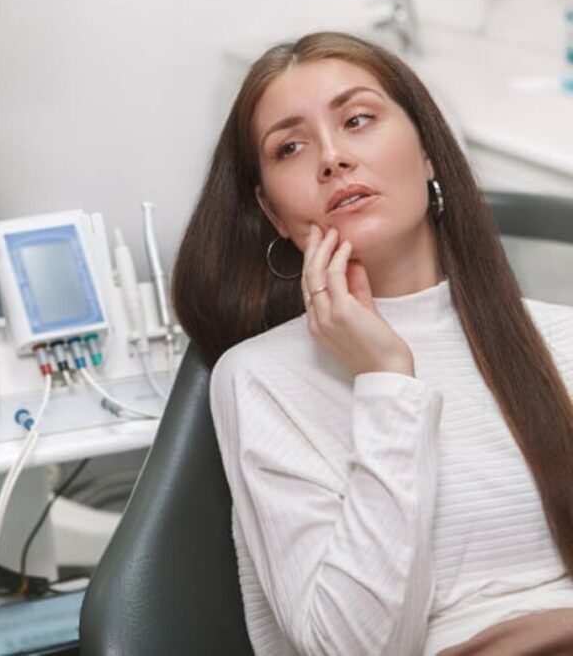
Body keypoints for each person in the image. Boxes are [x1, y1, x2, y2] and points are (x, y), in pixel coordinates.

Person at [171, 32, 573, 655]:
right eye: (290, 147)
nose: (332, 158)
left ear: (430, 151)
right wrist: (386, 379)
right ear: (273, 212)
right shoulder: (257, 380)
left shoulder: (559, 338)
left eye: (358, 120)